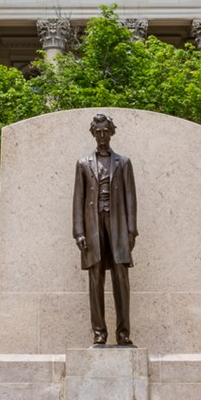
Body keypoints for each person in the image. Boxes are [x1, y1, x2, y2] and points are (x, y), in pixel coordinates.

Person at [72, 113, 138, 346]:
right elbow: (78, 199)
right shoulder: (83, 163)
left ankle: (123, 334)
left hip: (118, 224)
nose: (101, 135)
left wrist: (131, 230)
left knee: (121, 277)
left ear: (111, 132)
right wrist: (78, 231)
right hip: (92, 226)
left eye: (105, 131)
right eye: (97, 131)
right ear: (93, 133)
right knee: (95, 277)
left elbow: (131, 197)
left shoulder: (124, 162)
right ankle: (99, 333)